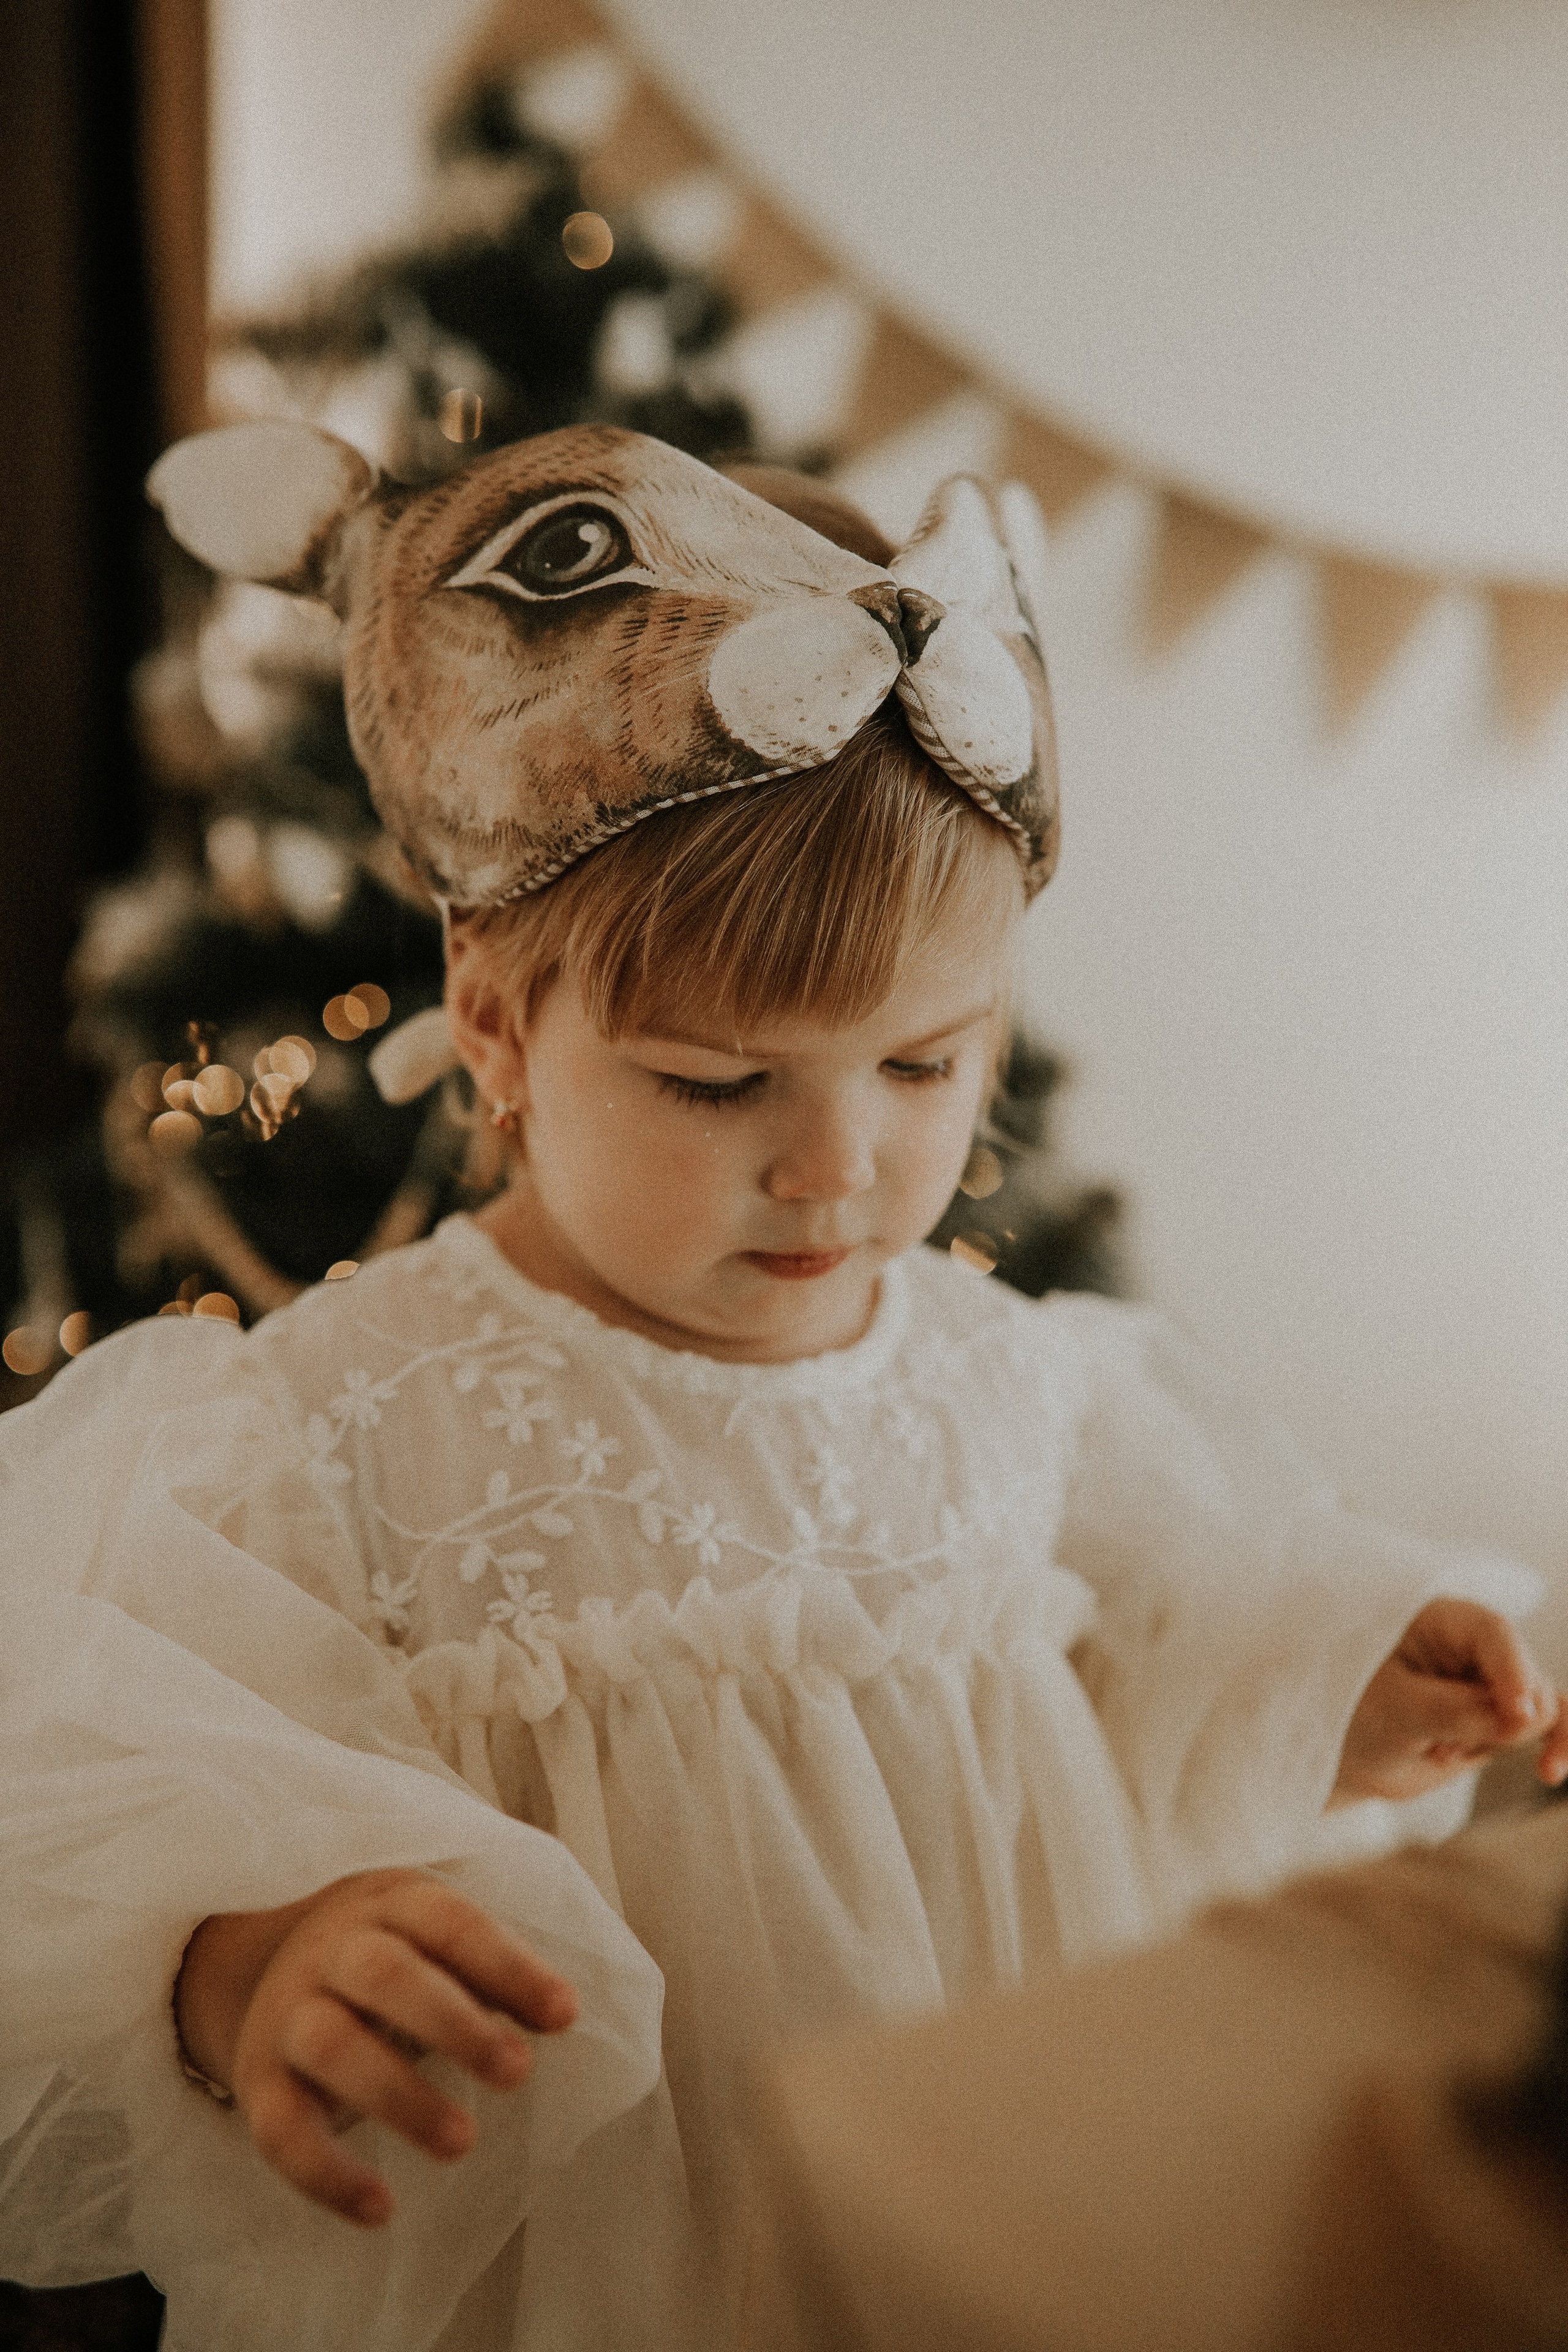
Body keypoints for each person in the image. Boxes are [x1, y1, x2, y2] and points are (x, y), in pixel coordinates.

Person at [2, 423, 1562, 2352]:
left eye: (923, 1068)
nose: (838, 1169)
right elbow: (99, 1802)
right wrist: (256, 1970)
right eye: (718, 1084)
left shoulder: (1019, 1381)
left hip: (991, 2216)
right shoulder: (328, 1425)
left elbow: (1179, 1653)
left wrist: (1341, 1671)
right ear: (496, 1021)